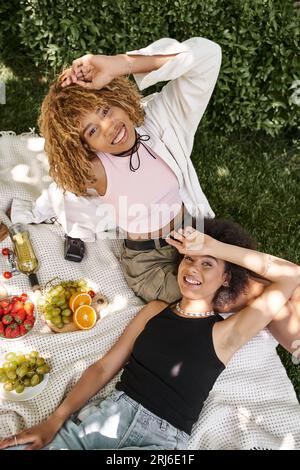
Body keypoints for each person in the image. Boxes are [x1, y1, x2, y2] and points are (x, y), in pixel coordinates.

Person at [1, 218, 299, 450]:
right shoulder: (155, 310)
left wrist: (213, 246)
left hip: (158, 444)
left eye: (207, 264)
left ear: (226, 278)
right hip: (102, 421)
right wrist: (54, 420)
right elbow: (104, 367)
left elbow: (291, 275)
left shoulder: (227, 333)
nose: (193, 269)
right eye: (189, 259)